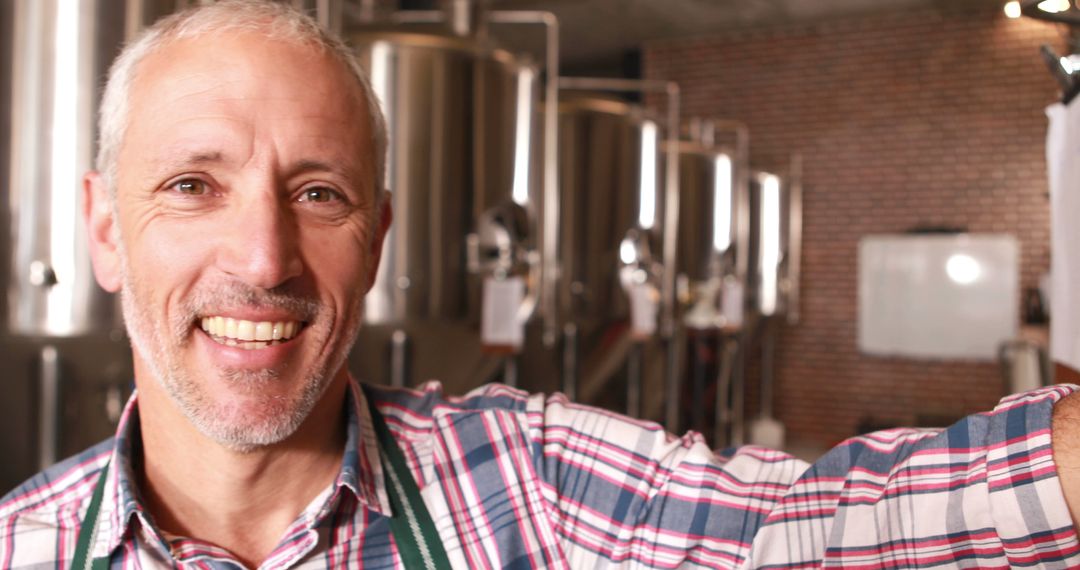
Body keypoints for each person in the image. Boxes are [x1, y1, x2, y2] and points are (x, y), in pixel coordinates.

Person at [2, 1, 1080, 568]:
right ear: (102, 229)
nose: (264, 258)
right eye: (193, 184)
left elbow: (845, 526)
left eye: (319, 194)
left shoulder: (526, 483)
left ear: (378, 238)